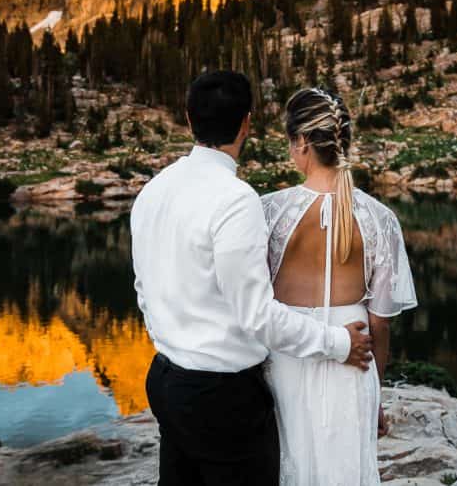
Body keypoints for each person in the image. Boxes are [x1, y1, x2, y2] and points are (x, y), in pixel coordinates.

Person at [130, 71, 374, 486]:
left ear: (189, 120)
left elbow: (143, 287)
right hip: (222, 397)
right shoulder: (235, 200)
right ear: (246, 123)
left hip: (165, 381)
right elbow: (257, 315)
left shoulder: (154, 189)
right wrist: (339, 343)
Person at [261, 87, 418, 486]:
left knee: (287, 465)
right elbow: (381, 325)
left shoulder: (269, 213)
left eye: (290, 141)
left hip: (287, 360)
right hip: (357, 363)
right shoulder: (379, 219)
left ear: (301, 142)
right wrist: (376, 395)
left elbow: (253, 307)